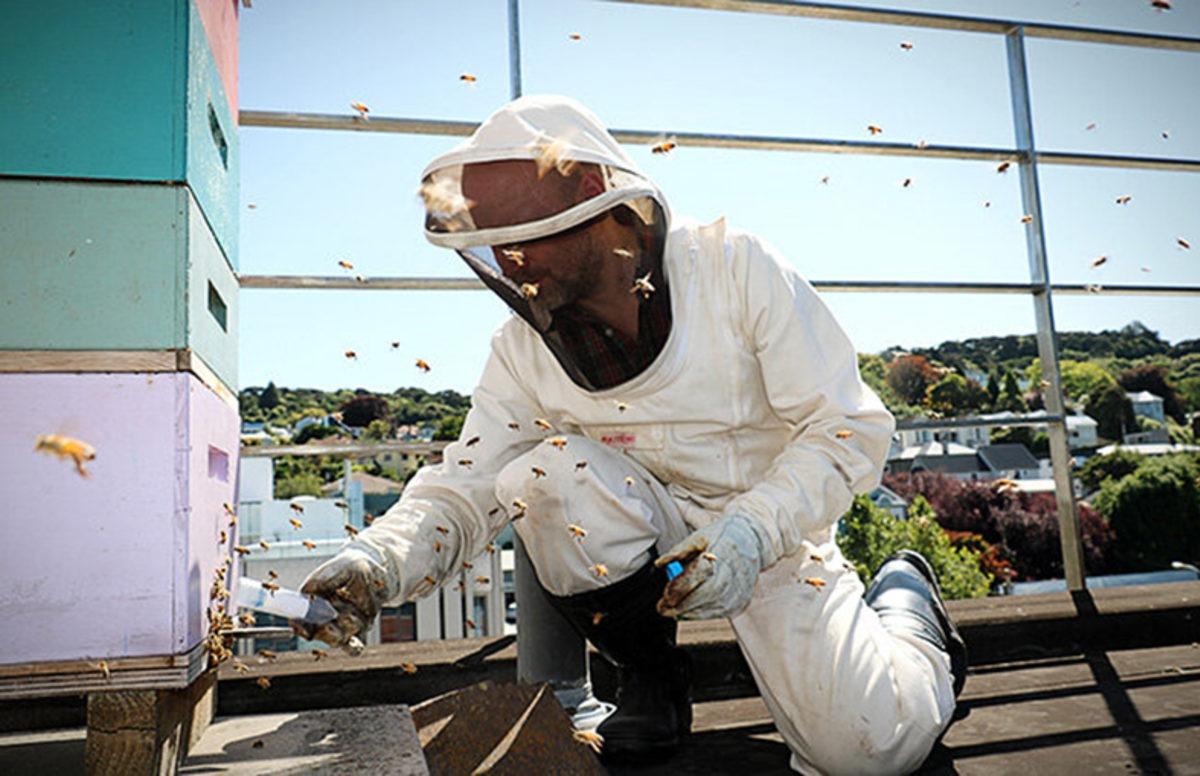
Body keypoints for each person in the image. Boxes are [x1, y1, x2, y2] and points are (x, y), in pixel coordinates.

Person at [295, 95, 966, 773]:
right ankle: (649, 675)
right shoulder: (522, 349)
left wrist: (753, 531)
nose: (511, 259)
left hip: (770, 531)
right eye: (494, 241)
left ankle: (907, 604)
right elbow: (465, 483)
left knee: (871, 753)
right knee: (547, 478)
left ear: (591, 194)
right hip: (642, 529)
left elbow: (845, 427)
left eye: (526, 232)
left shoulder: (735, 268)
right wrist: (378, 561)